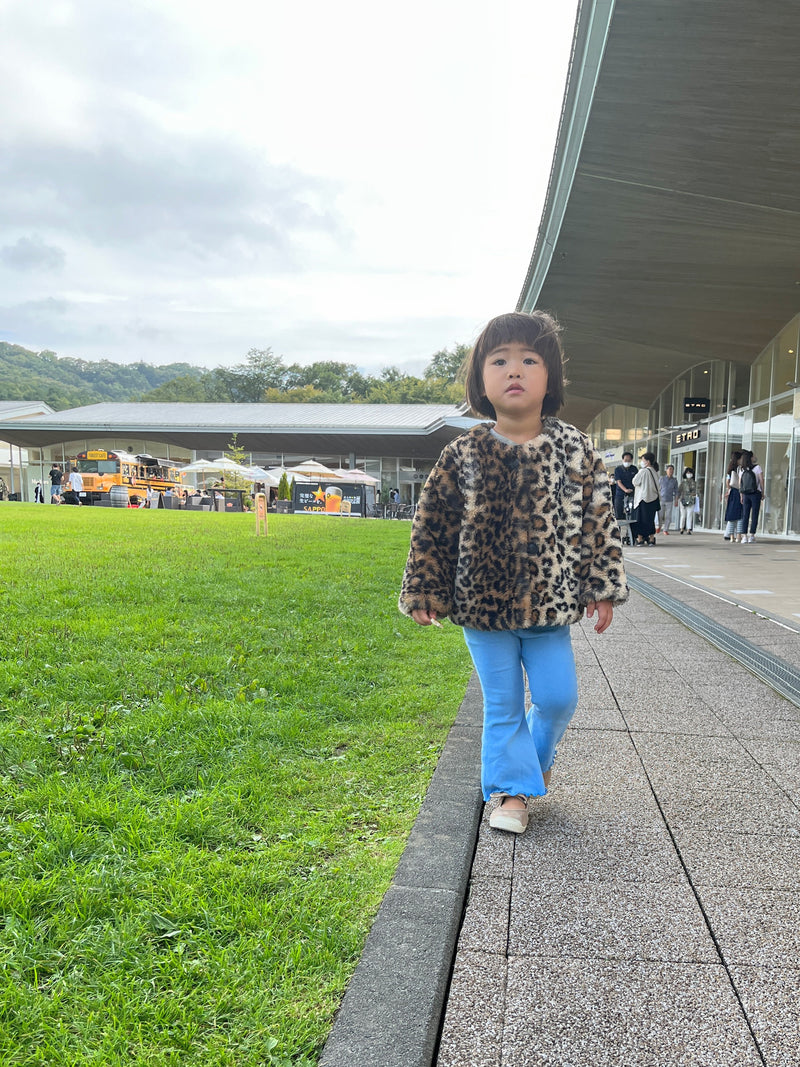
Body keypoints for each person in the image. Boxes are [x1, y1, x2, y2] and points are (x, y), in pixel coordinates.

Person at [398, 311, 628, 835]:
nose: (514, 369)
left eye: (530, 359)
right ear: (482, 379)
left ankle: (531, 765)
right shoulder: (463, 453)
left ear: (551, 378)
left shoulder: (575, 448)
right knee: (501, 705)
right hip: (481, 606)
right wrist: (423, 590)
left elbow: (599, 520)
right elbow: (432, 525)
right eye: (499, 360)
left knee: (557, 698)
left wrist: (603, 585)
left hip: (550, 608)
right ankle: (510, 793)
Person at [632, 453, 660, 545]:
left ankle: (640, 539)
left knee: (641, 519)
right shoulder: (655, 472)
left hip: (643, 499)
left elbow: (635, 481)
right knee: (650, 519)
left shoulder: (643, 471)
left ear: (647, 462)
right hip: (653, 499)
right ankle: (651, 538)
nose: (642, 462)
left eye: (643, 460)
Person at [739, 450, 764, 543]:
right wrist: (762, 492)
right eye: (753, 456)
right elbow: (761, 480)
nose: (755, 457)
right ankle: (752, 536)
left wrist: (741, 495)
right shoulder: (757, 468)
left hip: (745, 494)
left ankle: (744, 536)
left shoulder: (742, 469)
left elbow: (740, 483)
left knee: (745, 515)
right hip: (755, 493)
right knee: (755, 515)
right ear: (751, 458)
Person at [723, 450, 744, 542]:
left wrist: (729, 489)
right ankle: (739, 535)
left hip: (732, 492)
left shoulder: (730, 468)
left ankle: (731, 536)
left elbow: (727, 481)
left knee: (731, 515)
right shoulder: (740, 469)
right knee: (740, 515)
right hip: (739, 492)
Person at [613, 451, 636, 519]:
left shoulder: (634, 469)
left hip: (632, 494)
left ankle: (631, 528)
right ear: (622, 460)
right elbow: (618, 482)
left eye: (629, 460)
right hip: (620, 494)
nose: (627, 462)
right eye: (625, 460)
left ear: (631, 460)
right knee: (618, 513)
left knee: (632, 514)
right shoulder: (618, 469)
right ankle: (618, 528)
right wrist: (625, 490)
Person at [657, 463, 678, 534]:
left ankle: (665, 529)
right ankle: (659, 526)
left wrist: (676, 500)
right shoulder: (662, 479)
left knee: (668, 516)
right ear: (666, 470)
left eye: (672, 470)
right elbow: (658, 489)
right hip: (661, 499)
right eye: (669, 469)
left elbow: (676, 491)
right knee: (660, 515)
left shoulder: (674, 480)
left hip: (670, 500)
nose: (671, 471)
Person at [677, 467, 696, 533]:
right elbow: (679, 491)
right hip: (683, 500)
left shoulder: (694, 482)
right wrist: (677, 498)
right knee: (683, 515)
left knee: (689, 514)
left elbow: (696, 491)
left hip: (691, 500)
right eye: (687, 473)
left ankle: (688, 529)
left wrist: (694, 494)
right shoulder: (683, 482)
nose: (689, 474)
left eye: (690, 473)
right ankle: (681, 528)